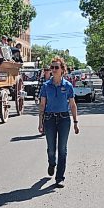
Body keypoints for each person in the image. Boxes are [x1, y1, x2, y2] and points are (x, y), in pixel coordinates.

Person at [38, 56, 79, 188]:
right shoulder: (45, 86)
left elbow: (72, 105)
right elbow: (42, 105)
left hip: (64, 119)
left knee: (62, 149)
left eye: (57, 67)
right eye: (52, 67)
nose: (54, 69)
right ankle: (52, 163)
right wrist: (40, 122)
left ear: (62, 70)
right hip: (49, 119)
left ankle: (59, 177)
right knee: (51, 148)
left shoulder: (67, 86)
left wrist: (76, 122)